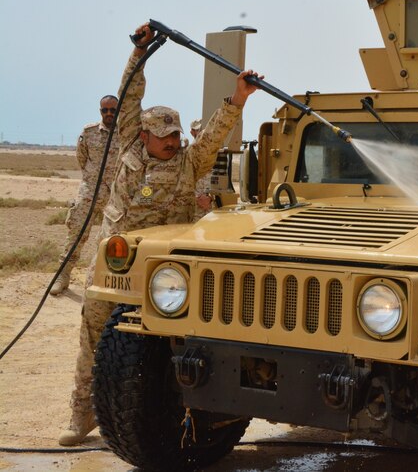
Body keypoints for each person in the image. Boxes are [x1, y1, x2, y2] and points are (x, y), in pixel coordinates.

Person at [58, 22, 262, 446]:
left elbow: (213, 134)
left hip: (165, 272)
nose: (172, 143)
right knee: (94, 331)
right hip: (116, 261)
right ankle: (81, 417)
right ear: (145, 134)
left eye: (175, 137)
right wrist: (140, 53)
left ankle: (175, 416)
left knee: (166, 345)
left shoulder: (189, 163)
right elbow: (130, 94)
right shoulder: (129, 144)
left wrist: (238, 99)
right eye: (164, 137)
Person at [51, 96, 121, 295]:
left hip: (115, 194)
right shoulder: (89, 133)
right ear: (100, 111)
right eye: (105, 110)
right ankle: (62, 275)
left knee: (113, 238)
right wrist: (92, 180)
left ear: (119, 110)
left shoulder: (127, 133)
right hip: (90, 192)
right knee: (76, 233)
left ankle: (108, 280)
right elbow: (82, 158)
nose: (108, 114)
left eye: (112, 110)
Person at [190, 118, 214, 219]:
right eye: (198, 130)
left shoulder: (215, 151)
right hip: (195, 208)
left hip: (211, 206)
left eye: (202, 129)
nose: (201, 132)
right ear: (192, 132)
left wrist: (211, 198)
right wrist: (196, 199)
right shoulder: (188, 152)